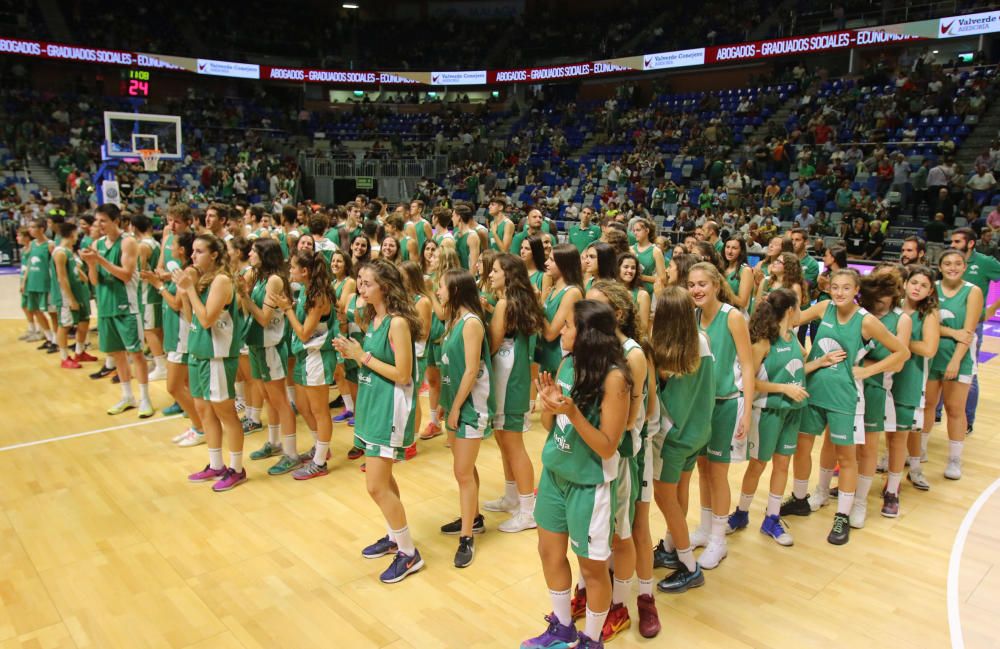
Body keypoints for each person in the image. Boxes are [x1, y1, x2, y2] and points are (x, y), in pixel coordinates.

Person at [520, 300, 631, 649]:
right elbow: (552, 425)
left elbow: (607, 446)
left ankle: (591, 640)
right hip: (555, 473)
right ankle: (562, 626)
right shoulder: (567, 363)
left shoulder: (615, 378)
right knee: (549, 552)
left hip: (589, 483)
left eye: (567, 326)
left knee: (592, 569)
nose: (560, 331)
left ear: (587, 334)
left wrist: (573, 412)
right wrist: (549, 405)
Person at [781, 269, 907, 545]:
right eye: (835, 287)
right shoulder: (824, 306)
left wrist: (866, 372)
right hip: (813, 390)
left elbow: (902, 352)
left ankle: (842, 515)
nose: (839, 293)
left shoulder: (866, 321)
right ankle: (800, 497)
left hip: (844, 397)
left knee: (846, 457)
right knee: (802, 447)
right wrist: (804, 355)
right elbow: (791, 321)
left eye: (846, 288)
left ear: (856, 290)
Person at [334, 259, 425, 584]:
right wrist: (352, 353)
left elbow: (402, 374)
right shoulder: (374, 319)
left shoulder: (397, 323)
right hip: (374, 406)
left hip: (391, 410)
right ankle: (394, 536)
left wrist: (363, 357)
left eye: (367, 282)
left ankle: (409, 553)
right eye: (359, 280)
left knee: (375, 486)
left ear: (384, 286)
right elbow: (372, 363)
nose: (360, 286)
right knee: (384, 482)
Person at [584, 280, 660, 641]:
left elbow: (631, 418)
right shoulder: (593, 346)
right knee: (597, 527)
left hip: (628, 450)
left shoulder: (632, 352)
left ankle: (637, 601)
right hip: (599, 450)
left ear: (616, 313)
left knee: (631, 530)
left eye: (593, 305)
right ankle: (596, 592)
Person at [728, 288, 818, 545]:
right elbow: (750, 382)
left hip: (792, 412)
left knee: (782, 465)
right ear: (790, 310)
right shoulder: (763, 343)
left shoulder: (794, 339)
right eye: (799, 307)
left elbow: (796, 372)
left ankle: (772, 518)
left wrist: (819, 363)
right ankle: (741, 513)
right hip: (766, 412)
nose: (801, 312)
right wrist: (784, 389)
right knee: (758, 465)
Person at [687, 262, 754, 569]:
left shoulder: (733, 316)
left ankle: (719, 539)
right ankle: (703, 528)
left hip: (726, 404)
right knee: (702, 469)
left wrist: (748, 411)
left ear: (715, 285)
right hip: (700, 405)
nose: (696, 289)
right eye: (691, 285)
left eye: (702, 284)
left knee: (718, 473)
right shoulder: (694, 316)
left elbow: (748, 365)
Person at [649, 286, 714, 593]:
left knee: (665, 497)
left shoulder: (662, 352)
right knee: (680, 491)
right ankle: (672, 546)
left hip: (672, 437)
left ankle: (689, 565)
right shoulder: (701, 339)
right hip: (698, 431)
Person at [175, 234, 247, 492]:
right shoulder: (203, 281)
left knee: (225, 413)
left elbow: (206, 320)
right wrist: (185, 292)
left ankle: (237, 469)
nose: (192, 256)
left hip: (218, 356)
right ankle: (216, 464)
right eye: (192, 251)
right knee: (204, 411)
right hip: (199, 354)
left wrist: (190, 289)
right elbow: (190, 316)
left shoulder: (222, 281)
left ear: (214, 254)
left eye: (199, 251)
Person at [435, 269, 495, 568]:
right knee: (465, 470)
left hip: (472, 406)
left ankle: (467, 537)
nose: (438, 291)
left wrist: (457, 406)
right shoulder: (454, 320)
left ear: (456, 290)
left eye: (442, 286)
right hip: (458, 402)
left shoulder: (471, 322)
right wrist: (446, 404)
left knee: (462, 472)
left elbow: (471, 370)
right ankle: (474, 517)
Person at [484, 253, 544, 533]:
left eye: (495, 270)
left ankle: (528, 511)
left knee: (513, 444)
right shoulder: (511, 302)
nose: (491, 274)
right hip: (510, 375)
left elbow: (493, 345)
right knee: (503, 439)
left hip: (510, 380)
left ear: (508, 274)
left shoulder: (505, 305)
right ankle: (511, 497)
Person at [81, 204, 153, 417]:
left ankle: (145, 398)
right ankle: (127, 396)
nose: (99, 225)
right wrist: (92, 265)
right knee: (117, 355)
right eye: (97, 221)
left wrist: (99, 260)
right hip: (105, 306)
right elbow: (94, 281)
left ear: (116, 221)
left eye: (103, 220)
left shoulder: (129, 242)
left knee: (136, 354)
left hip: (126, 307)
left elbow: (126, 275)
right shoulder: (97, 243)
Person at [271, 250, 337, 480]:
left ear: (305, 271)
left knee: (319, 411)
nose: (290, 271)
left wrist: (287, 309)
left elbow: (303, 333)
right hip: (304, 357)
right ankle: (320, 446)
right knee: (303, 405)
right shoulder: (307, 291)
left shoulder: (318, 296)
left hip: (316, 357)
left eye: (293, 267)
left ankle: (320, 461)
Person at [853, 269, 911, 528]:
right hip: (852, 387)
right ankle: (850, 489)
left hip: (881, 388)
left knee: (878, 446)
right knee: (851, 446)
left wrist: (867, 367)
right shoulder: (859, 314)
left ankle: (880, 495)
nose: (881, 297)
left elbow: (898, 363)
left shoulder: (901, 319)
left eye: (887, 292)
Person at [922, 250, 983, 482]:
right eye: (947, 263)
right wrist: (950, 332)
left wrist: (956, 360)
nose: (953, 267)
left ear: (965, 266)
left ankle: (955, 459)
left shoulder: (972, 291)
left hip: (959, 358)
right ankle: (920, 451)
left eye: (958, 263)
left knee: (954, 409)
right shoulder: (932, 288)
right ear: (940, 266)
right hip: (932, 355)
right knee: (927, 404)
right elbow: (928, 325)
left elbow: (967, 333)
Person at [140, 231, 205, 447]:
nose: (169, 249)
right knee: (186, 385)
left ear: (181, 250)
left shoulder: (187, 272)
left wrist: (157, 286)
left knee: (174, 387)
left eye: (173, 246)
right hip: (176, 331)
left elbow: (177, 303)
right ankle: (198, 425)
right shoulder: (180, 270)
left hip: (183, 333)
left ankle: (201, 427)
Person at [240, 238, 299, 475]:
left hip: (271, 345)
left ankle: (292, 453)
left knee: (281, 402)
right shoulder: (259, 278)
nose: (250, 254)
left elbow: (264, 318)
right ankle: (274, 443)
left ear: (265, 255)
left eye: (254, 251)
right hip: (256, 344)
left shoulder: (274, 280)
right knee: (267, 398)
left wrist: (244, 296)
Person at [894, 266, 940, 501]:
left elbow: (929, 349)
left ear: (930, 290)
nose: (917, 288)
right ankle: (891, 465)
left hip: (912, 375)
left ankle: (914, 468)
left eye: (923, 285)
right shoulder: (894, 306)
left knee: (909, 427)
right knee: (888, 427)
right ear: (905, 283)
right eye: (914, 283)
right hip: (888, 373)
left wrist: (900, 340)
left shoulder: (928, 314)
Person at [949, 227, 1000, 434]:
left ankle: (967, 420)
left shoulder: (985, 262)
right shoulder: (950, 263)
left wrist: (992, 309)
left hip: (973, 326)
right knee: (942, 367)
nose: (952, 245)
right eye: (952, 242)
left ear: (970, 243)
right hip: (949, 325)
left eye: (957, 242)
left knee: (969, 372)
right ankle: (937, 413)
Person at [537, 244, 584, 375]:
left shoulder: (572, 293)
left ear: (564, 265)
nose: (546, 263)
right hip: (546, 359)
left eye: (551, 260)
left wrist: (536, 305)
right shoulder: (553, 290)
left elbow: (550, 334)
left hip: (558, 362)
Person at [50, 222, 91, 369]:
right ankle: (64, 357)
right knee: (65, 325)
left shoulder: (69, 251)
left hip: (79, 292)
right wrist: (71, 299)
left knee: (84, 321)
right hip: (67, 296)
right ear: (73, 233)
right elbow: (62, 278)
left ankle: (79, 352)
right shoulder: (60, 252)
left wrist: (83, 277)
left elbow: (74, 269)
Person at [133, 214, 167, 381]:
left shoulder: (142, 246)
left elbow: (140, 272)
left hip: (148, 292)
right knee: (157, 329)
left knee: (149, 331)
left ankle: (161, 366)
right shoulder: (156, 243)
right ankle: (161, 362)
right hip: (156, 291)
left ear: (134, 228)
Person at [24, 217, 56, 351]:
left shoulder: (50, 245)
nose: (29, 230)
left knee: (53, 313)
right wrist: (24, 281)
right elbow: (29, 263)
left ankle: (56, 340)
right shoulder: (32, 244)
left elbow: (56, 265)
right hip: (32, 283)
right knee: (36, 310)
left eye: (32, 227)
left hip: (46, 284)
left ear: (41, 229)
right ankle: (48, 338)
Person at [617, 252, 651, 334]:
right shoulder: (609, 291)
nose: (630, 271)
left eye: (633, 268)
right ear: (617, 268)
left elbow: (643, 329)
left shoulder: (642, 295)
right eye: (626, 267)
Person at [631, 218, 666, 294]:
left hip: (648, 290)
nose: (635, 233)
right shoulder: (630, 249)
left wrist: (642, 277)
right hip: (632, 288)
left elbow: (663, 279)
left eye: (638, 230)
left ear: (647, 231)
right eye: (634, 230)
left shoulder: (656, 251)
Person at [723, 237, 755, 312]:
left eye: (734, 248)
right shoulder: (723, 267)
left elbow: (742, 303)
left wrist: (724, 287)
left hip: (737, 315)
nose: (729, 251)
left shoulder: (745, 270)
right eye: (727, 247)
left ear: (741, 251)